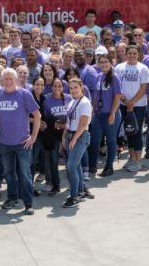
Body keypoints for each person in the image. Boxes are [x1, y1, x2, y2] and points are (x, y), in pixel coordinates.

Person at [0, 68, 40, 214]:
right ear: (2, 80)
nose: (8, 81)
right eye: (5, 79)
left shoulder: (24, 94)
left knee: (25, 174)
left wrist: (33, 137)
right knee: (9, 173)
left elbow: (37, 116)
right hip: (5, 142)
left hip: (22, 142)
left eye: (10, 79)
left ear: (16, 80)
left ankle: (28, 203)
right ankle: (12, 198)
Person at [115, 45, 149, 172]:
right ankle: (131, 158)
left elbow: (144, 87)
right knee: (128, 131)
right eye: (129, 53)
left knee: (137, 131)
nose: (132, 55)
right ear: (126, 54)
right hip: (123, 104)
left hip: (138, 105)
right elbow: (117, 86)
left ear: (138, 55)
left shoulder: (143, 68)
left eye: (134, 53)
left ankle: (138, 160)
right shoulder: (119, 68)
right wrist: (125, 100)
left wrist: (132, 102)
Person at [62, 78, 94, 208]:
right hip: (70, 134)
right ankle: (81, 189)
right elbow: (68, 121)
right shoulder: (72, 101)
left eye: (76, 87)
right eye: (71, 88)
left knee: (71, 166)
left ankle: (74, 196)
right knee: (76, 165)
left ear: (81, 88)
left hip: (80, 137)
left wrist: (74, 138)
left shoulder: (85, 103)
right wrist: (64, 136)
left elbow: (84, 123)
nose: (73, 90)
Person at [89, 54, 122, 177]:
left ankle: (109, 167)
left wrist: (113, 113)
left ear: (111, 62)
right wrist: (92, 110)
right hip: (98, 113)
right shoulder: (98, 77)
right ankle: (92, 166)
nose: (103, 64)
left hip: (110, 113)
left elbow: (118, 96)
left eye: (106, 62)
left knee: (111, 141)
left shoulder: (114, 78)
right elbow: (96, 95)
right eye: (101, 62)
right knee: (94, 140)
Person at [42, 77, 70, 194]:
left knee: (70, 159)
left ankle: (73, 183)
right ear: (51, 87)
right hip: (53, 133)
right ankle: (56, 185)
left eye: (59, 86)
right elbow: (46, 118)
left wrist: (64, 126)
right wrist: (55, 124)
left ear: (63, 87)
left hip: (67, 131)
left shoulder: (69, 98)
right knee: (54, 160)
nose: (57, 88)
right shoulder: (47, 100)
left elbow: (73, 116)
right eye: (55, 86)